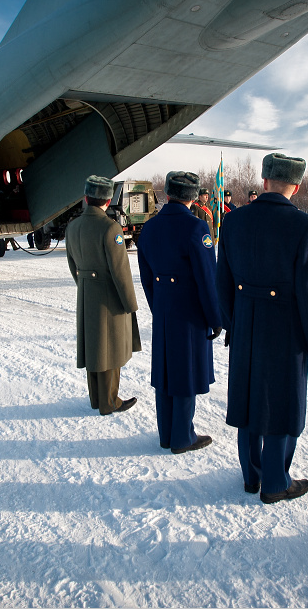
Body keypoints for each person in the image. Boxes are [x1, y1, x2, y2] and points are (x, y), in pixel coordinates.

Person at [216, 153, 308, 504]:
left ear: (264, 182)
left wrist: (233, 324)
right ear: (295, 186)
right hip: (285, 328)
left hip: (246, 322)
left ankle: (251, 475)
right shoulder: (305, 226)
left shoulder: (232, 222)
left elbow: (223, 281)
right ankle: (276, 481)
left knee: (249, 398)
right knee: (281, 403)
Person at [137, 171, 223, 454]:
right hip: (189, 311)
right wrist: (215, 318)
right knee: (185, 371)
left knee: (165, 370)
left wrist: (158, 305)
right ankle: (182, 437)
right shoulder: (196, 228)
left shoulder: (149, 228)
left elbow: (147, 277)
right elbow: (207, 279)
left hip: (163, 308)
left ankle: (166, 434)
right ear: (194, 196)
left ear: (167, 192)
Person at [66, 175, 140, 416]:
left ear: (86, 198)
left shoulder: (73, 226)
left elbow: (72, 264)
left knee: (93, 346)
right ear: (108, 201)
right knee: (110, 347)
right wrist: (130, 303)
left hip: (86, 292)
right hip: (108, 295)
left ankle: (96, 398)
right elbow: (120, 271)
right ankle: (109, 402)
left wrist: (85, 284)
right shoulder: (110, 228)